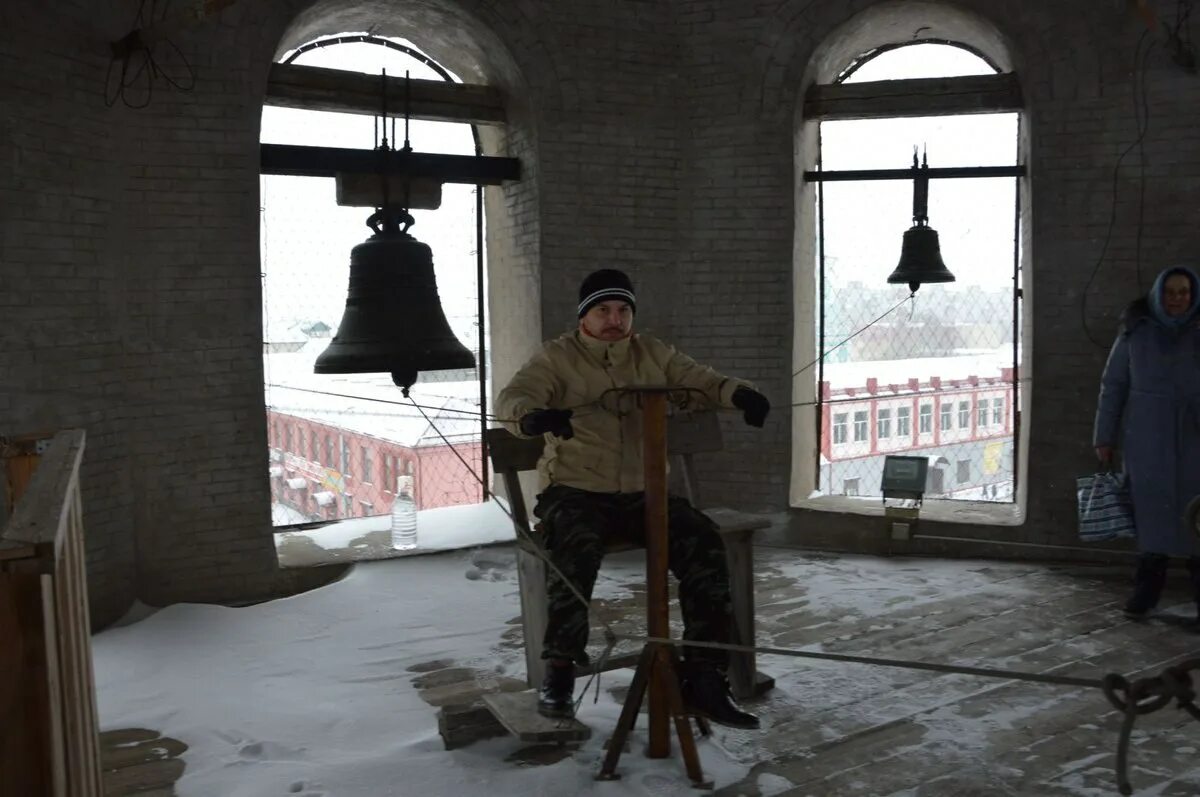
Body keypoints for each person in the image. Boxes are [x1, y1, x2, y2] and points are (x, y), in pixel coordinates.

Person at [497, 268, 770, 728]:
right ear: (585, 315)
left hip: (645, 493)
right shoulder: (558, 358)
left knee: (703, 542)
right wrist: (533, 418)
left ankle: (703, 677)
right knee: (574, 551)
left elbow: (700, 380)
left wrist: (739, 394)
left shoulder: (652, 353)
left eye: (623, 310)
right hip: (577, 493)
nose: (614, 319)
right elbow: (514, 398)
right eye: (603, 310)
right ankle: (560, 671)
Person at [1094, 265, 1200, 618]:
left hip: (1195, 435)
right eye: (1170, 292)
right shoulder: (1134, 332)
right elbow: (1114, 385)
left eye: (1183, 292)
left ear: (1193, 295)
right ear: (1158, 294)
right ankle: (1146, 592)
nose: (1177, 299)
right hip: (1147, 436)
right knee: (1151, 515)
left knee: (1197, 516)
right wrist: (1104, 436)